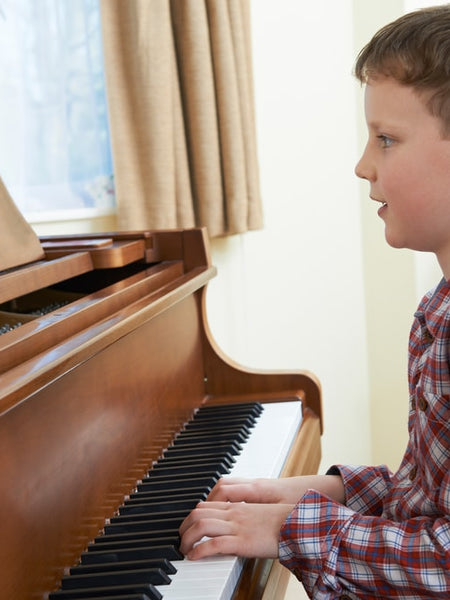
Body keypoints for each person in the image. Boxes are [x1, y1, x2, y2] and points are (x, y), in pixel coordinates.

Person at [179, 5, 450, 599]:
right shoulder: (439, 309)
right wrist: (315, 494)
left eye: (386, 139)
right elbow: (425, 500)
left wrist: (292, 526)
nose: (361, 165)